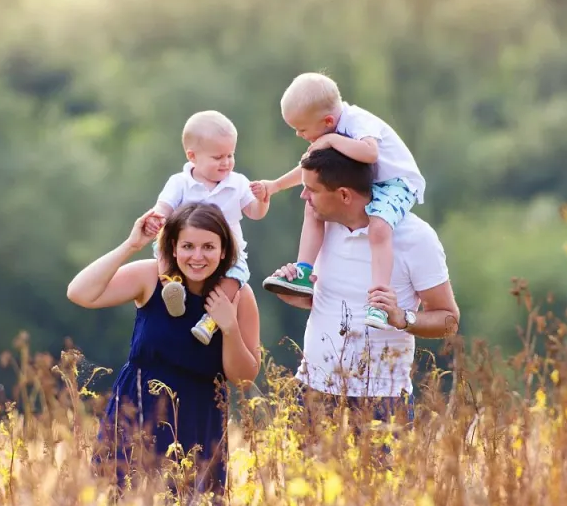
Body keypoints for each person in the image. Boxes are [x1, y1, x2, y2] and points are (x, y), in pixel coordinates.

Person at [67, 202, 262, 496]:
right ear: (172, 247)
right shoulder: (151, 278)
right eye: (188, 246)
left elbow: (245, 379)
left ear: (224, 251)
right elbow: (80, 292)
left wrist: (230, 327)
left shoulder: (238, 295)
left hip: (199, 422)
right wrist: (131, 245)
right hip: (136, 414)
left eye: (209, 247)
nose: (198, 257)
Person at [267, 145, 458, 427]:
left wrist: (402, 318)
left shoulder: (415, 237)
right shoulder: (321, 228)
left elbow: (448, 319)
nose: (303, 196)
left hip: (383, 401)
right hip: (311, 393)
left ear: (344, 194)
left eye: (312, 189)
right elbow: (325, 303)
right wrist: (293, 291)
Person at [251, 72, 426, 330]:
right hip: (365, 183)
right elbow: (309, 169)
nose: (299, 135)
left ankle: (378, 300)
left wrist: (331, 140)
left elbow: (370, 153)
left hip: (395, 184)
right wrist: (275, 186)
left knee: (379, 227)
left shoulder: (357, 123)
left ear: (328, 121)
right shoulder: (331, 130)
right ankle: (303, 272)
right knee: (312, 206)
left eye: (301, 129)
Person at [148, 110, 269, 346]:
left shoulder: (238, 183)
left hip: (227, 252)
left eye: (230, 155)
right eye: (217, 157)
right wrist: (156, 217)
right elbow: (163, 206)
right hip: (184, 247)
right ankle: (172, 288)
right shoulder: (180, 182)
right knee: (161, 248)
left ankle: (210, 321)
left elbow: (254, 213)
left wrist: (263, 200)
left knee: (235, 278)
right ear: (192, 156)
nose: (226, 163)